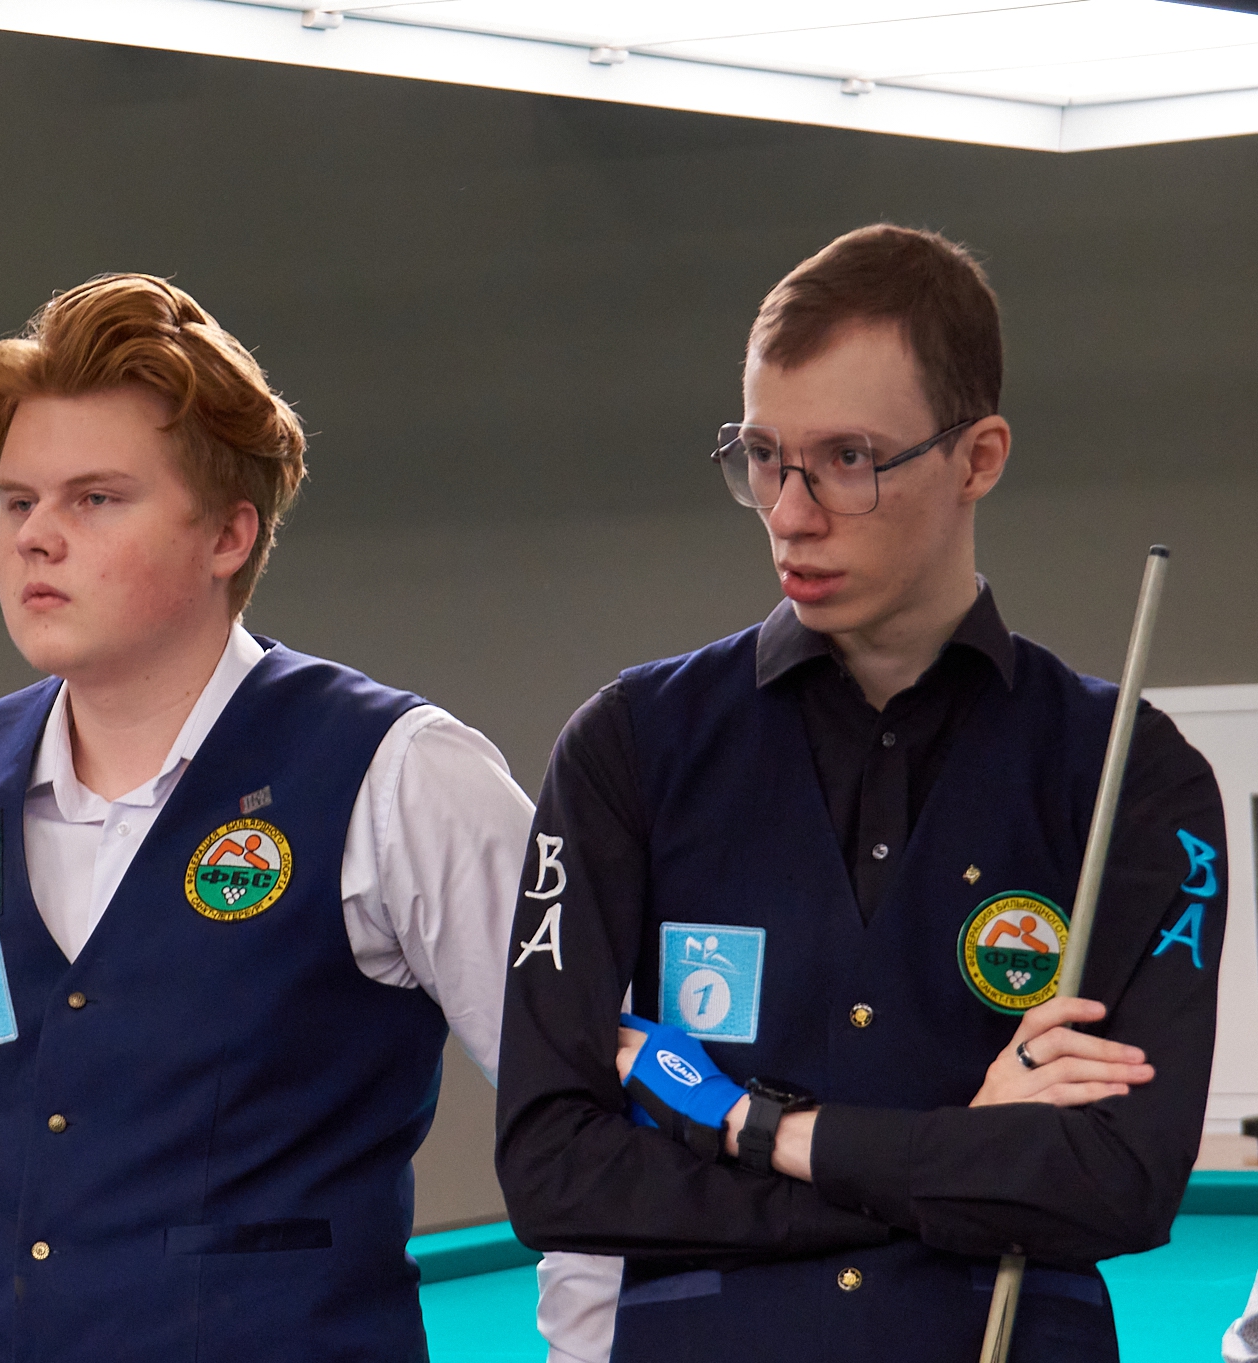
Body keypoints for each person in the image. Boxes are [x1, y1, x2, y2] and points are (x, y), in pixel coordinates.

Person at [0, 273, 617, 1361]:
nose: (36, 538)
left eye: (94, 499)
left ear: (228, 533)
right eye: (17, 501)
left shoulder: (400, 773)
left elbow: (592, 1117)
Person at [495, 224, 1227, 1363]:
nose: (789, 512)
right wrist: (958, 1158)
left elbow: (1120, 1181)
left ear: (977, 458)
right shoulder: (628, 745)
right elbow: (554, 1168)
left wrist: (755, 1128)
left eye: (848, 458)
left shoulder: (1131, 770)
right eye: (762, 456)